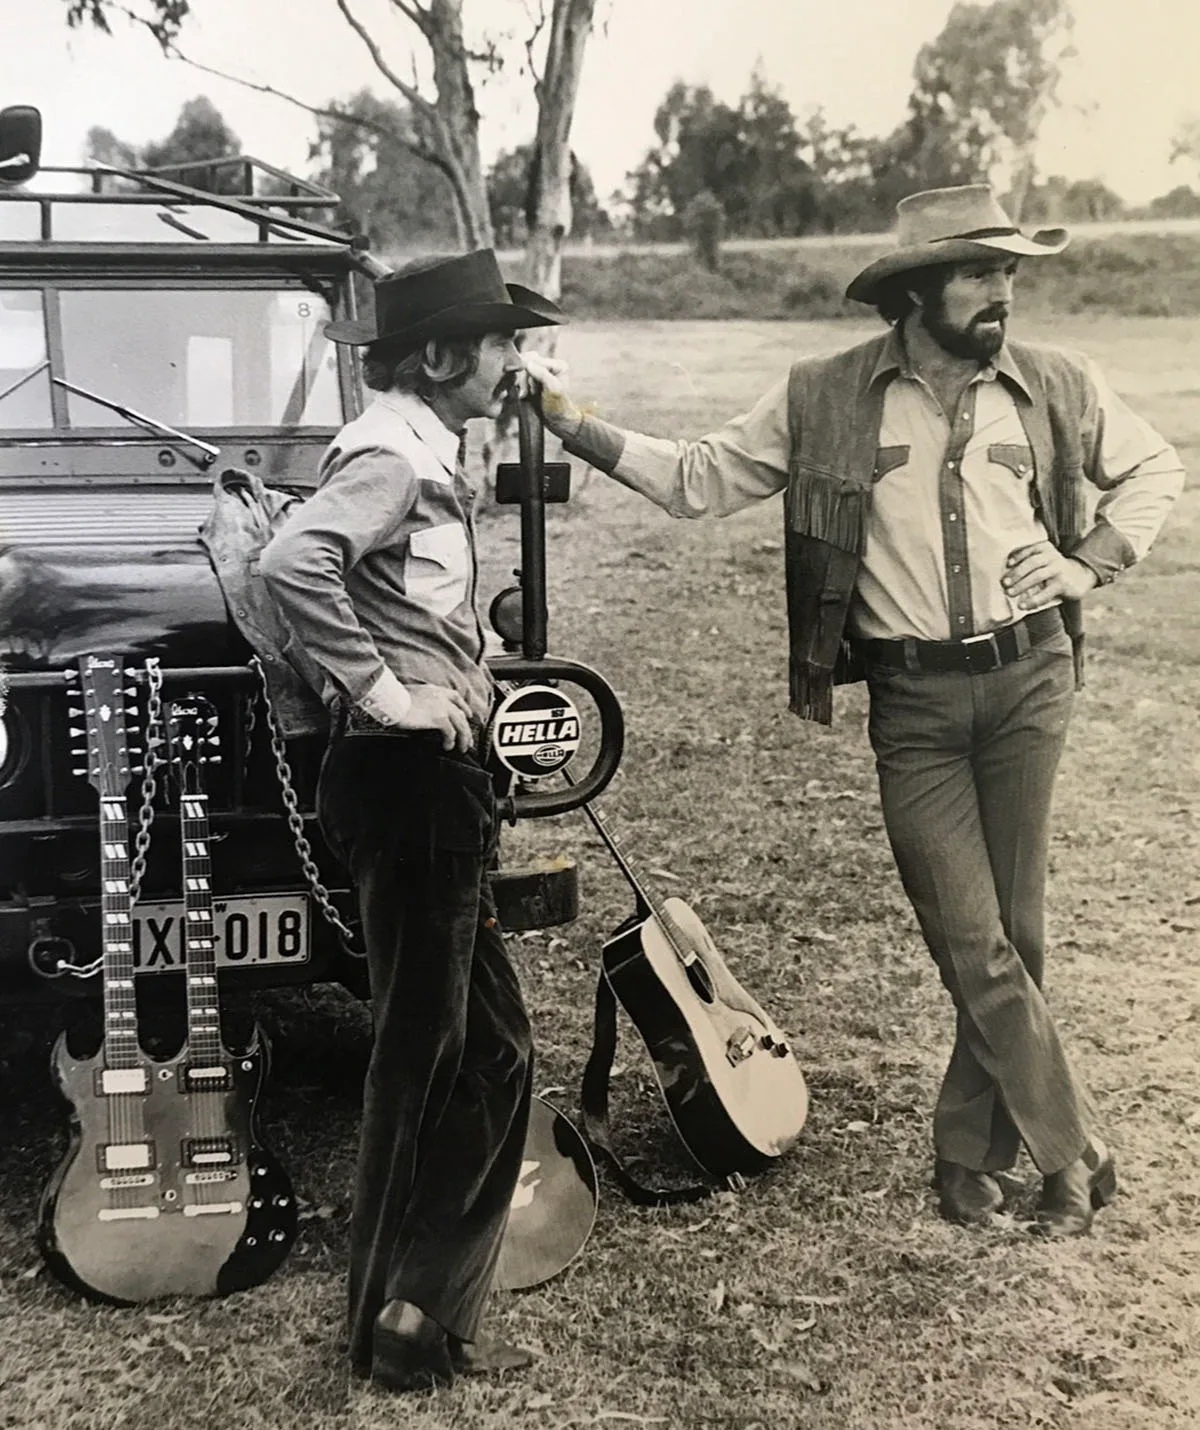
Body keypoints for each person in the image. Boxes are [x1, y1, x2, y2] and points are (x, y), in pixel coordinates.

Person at [526, 185, 1183, 1238]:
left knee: (1014, 936)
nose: (1003, 292)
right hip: (914, 704)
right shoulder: (824, 395)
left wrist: (1087, 562)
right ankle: (1076, 1149)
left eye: (1009, 271)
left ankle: (967, 1154)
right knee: (970, 939)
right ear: (916, 290)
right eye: (980, 272)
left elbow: (1154, 466)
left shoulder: (1059, 381)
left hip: (1031, 684)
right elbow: (697, 479)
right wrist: (572, 425)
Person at [261, 250, 563, 1390]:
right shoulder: (389, 455)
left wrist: (460, 660)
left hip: (435, 785)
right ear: (439, 356)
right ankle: (385, 1325)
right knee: (421, 1052)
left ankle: (419, 1305)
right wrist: (389, 694)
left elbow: (404, 600)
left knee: (492, 1048)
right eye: (500, 343)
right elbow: (295, 563)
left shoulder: (423, 449)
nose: (513, 361)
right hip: (407, 782)